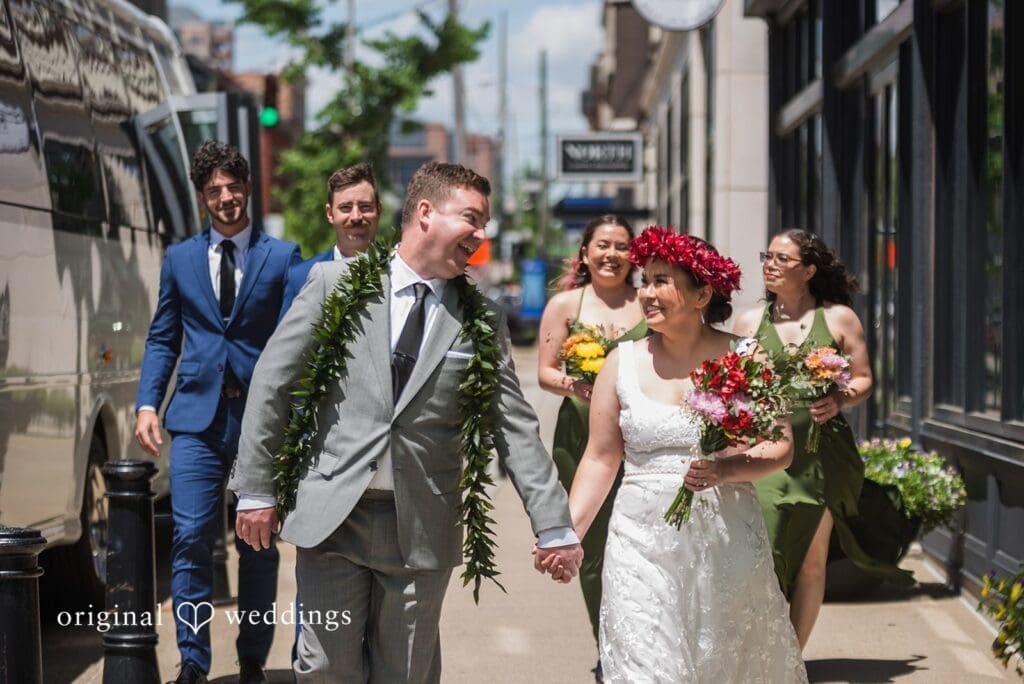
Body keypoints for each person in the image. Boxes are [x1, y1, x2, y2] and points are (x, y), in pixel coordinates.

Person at [228, 161, 583, 682]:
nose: (481, 234)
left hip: (420, 524)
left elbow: (514, 425)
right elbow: (272, 381)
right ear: (425, 213)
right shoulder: (333, 284)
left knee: (406, 671)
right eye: (471, 218)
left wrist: (554, 525)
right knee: (325, 667)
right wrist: (256, 488)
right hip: (334, 518)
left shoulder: (481, 316)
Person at [561, 227, 807, 682]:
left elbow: (781, 447)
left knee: (721, 667)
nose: (647, 293)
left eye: (661, 281)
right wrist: (565, 534)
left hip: (723, 538)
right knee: (648, 669)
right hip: (639, 541)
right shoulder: (621, 361)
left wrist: (727, 467)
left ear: (702, 295)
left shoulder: (746, 359)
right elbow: (599, 457)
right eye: (646, 280)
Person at [134, 141, 301, 684]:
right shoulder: (180, 259)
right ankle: (193, 662)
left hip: (259, 422)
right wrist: (146, 404)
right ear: (202, 197)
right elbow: (163, 338)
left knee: (257, 541)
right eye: (214, 191)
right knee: (189, 538)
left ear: (247, 188)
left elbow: (297, 340)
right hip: (196, 421)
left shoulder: (282, 257)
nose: (225, 198)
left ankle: (252, 657)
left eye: (233, 187)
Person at [732, 228, 913, 649]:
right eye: (767, 256)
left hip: (821, 453)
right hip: (766, 452)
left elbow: (865, 379)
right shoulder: (748, 322)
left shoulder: (839, 319)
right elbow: (735, 385)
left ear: (809, 270)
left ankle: (791, 658)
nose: (769, 265)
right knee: (767, 555)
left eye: (782, 259)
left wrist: (841, 396)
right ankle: (761, 652)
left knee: (813, 563)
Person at [536, 215, 645, 682]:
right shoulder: (565, 304)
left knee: (641, 546)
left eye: (622, 246)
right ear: (585, 252)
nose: (611, 254)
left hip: (641, 442)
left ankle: (642, 642)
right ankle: (608, 648)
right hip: (581, 440)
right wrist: (576, 384)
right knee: (593, 549)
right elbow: (544, 370)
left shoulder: (648, 303)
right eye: (602, 245)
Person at [280, 162, 382, 314]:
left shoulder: (398, 272)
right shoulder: (301, 277)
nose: (356, 217)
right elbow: (287, 337)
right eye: (345, 208)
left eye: (365, 207)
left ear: (379, 210)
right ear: (330, 213)